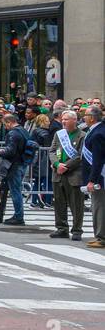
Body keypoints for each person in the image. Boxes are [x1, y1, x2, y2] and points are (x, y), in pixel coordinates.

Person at [49, 109, 85, 240]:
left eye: (66, 119)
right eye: (62, 119)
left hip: (74, 174)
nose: (63, 122)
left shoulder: (82, 135)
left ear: (74, 120)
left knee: (76, 204)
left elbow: (80, 155)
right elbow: (52, 151)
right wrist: (57, 164)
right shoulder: (59, 134)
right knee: (59, 202)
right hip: (58, 173)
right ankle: (61, 228)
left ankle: (77, 230)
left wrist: (66, 166)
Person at [0, 112, 30, 225]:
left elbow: (10, 151)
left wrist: (0, 152)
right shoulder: (23, 131)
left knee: (15, 191)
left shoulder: (13, 134)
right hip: (22, 162)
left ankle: (18, 216)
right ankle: (18, 215)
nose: (5, 127)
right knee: (16, 190)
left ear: (9, 122)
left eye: (5, 124)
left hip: (14, 165)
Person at [80, 106, 105, 249]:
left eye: (86, 114)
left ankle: (101, 237)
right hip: (98, 175)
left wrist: (92, 180)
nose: (83, 117)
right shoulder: (95, 130)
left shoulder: (98, 134)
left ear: (92, 117)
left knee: (99, 206)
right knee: (98, 205)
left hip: (100, 177)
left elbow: (98, 160)